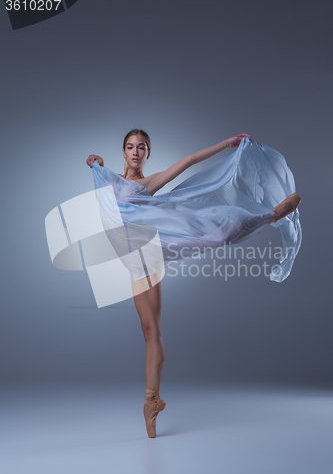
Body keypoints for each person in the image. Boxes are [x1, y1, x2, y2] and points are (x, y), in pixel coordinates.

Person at [86, 129, 301, 438]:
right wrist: (97, 164)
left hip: (151, 249)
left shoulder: (149, 183)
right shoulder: (108, 179)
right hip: (133, 259)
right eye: (131, 147)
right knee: (150, 332)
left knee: (220, 235)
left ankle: (272, 214)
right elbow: (103, 187)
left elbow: (187, 161)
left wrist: (226, 144)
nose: (136, 152)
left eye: (142, 147)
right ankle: (153, 400)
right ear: (123, 152)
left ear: (148, 153)